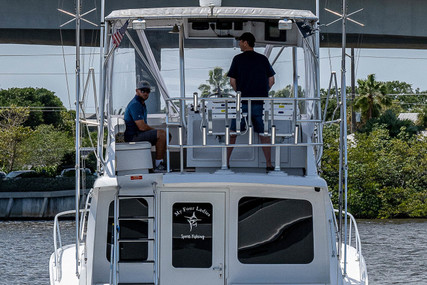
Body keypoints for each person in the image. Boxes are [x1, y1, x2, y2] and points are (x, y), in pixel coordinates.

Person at [227, 32, 276, 172]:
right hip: (260, 103)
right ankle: (269, 164)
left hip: (242, 103)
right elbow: (272, 80)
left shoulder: (237, 59)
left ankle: (226, 163)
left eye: (240, 42)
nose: (239, 44)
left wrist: (240, 93)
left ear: (246, 42)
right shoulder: (263, 59)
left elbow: (232, 81)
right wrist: (263, 91)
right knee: (264, 135)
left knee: (232, 134)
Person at [124, 81, 167, 172]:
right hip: (133, 136)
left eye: (147, 91)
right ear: (137, 91)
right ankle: (158, 165)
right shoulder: (135, 104)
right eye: (143, 90)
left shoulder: (141, 103)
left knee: (167, 135)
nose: (146, 93)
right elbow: (142, 127)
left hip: (138, 134)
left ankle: (160, 163)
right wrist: (156, 131)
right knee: (162, 134)